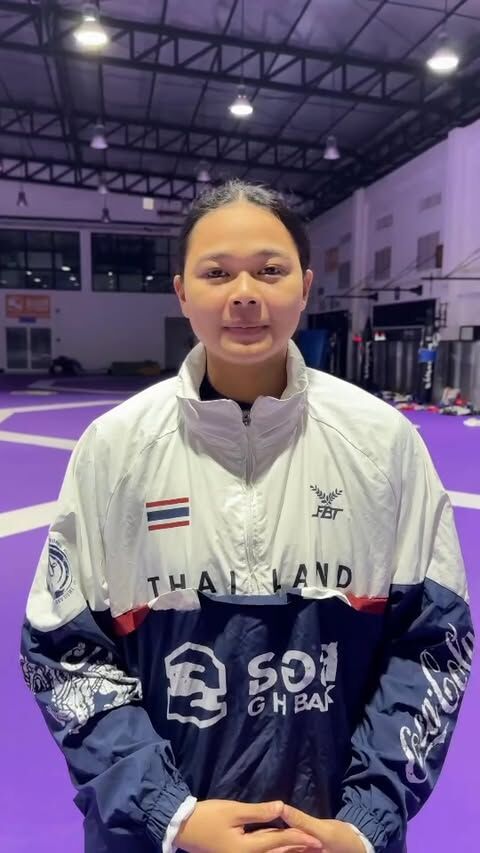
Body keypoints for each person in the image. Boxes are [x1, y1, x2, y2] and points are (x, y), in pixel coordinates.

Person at [20, 180, 474, 853]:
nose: (243, 293)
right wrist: (172, 815)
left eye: (269, 270)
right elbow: (63, 650)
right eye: (217, 273)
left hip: (325, 837)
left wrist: (365, 823)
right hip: (155, 839)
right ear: (182, 292)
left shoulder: (383, 444)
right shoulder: (114, 449)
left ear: (305, 286)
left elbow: (432, 644)